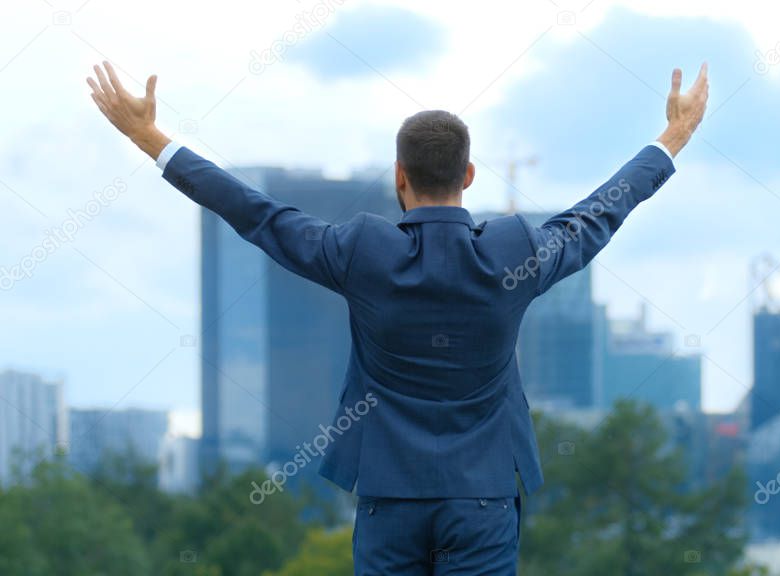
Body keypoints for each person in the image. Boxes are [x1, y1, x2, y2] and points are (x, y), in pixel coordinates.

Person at [86, 60, 708, 575]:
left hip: (389, 499)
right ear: (468, 174)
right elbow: (598, 214)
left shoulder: (362, 253)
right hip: (483, 498)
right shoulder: (514, 252)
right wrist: (671, 139)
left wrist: (152, 140)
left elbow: (256, 214)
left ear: (398, 177)